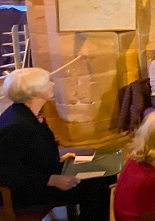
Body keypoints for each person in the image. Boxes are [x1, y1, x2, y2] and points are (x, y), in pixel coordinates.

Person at [0, 68, 115, 220]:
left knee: (106, 174)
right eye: (48, 82)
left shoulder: (27, 112)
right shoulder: (17, 125)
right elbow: (6, 174)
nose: (53, 84)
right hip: (30, 191)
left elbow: (31, 151)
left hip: (43, 173)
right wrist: (52, 180)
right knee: (96, 187)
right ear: (35, 91)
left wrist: (56, 157)